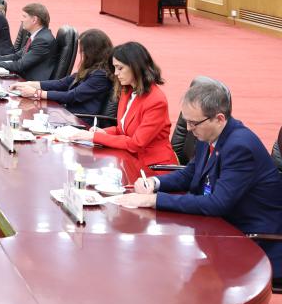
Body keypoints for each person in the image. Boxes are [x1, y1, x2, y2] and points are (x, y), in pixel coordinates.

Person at [118, 77, 282, 284]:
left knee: (167, 265)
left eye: (193, 123)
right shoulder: (209, 135)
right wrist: (155, 184)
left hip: (251, 239)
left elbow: (217, 204)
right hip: (219, 226)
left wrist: (154, 200)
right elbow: (191, 173)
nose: (188, 129)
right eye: (186, 121)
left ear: (219, 119)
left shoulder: (240, 147)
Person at [66, 41, 176, 166]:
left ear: (136, 67)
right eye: (115, 68)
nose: (116, 73)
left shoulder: (156, 101)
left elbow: (136, 144)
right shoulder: (127, 91)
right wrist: (104, 132)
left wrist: (94, 137)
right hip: (127, 158)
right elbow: (122, 129)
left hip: (151, 166)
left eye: (120, 68)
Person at [10, 28, 113, 115]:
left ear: (92, 52)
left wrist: (36, 93)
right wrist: (28, 84)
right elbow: (62, 83)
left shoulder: (100, 75)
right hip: (68, 114)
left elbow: (72, 96)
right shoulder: (92, 68)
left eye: (83, 50)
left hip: (80, 120)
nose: (81, 53)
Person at [0, 3, 57, 81]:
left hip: (31, 82)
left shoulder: (42, 40)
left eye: (24, 16)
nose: (21, 20)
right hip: (24, 78)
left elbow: (20, 65)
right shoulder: (37, 36)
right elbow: (16, 56)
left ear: (34, 20)